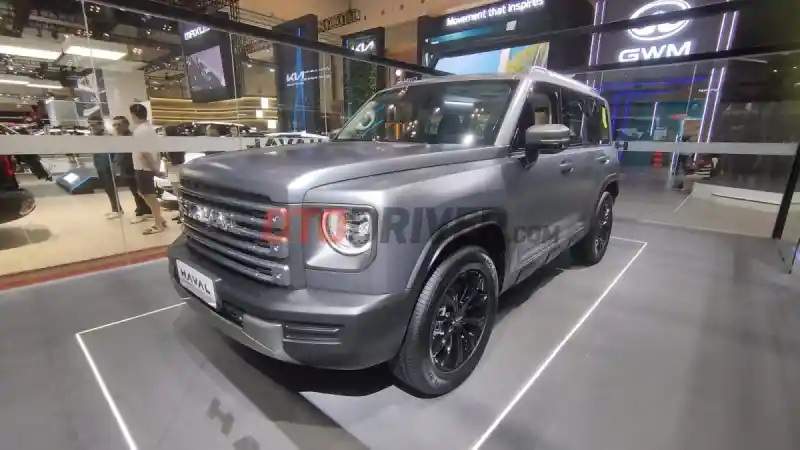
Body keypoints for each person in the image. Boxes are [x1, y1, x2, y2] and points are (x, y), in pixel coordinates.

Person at [129, 103, 166, 235]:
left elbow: (145, 152)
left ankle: (158, 224)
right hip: (144, 167)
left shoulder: (140, 131)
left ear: (134, 115)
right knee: (144, 193)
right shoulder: (149, 129)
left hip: (143, 167)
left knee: (149, 196)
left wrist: (155, 169)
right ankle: (160, 220)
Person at [112, 116, 153, 223]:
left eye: (119, 124)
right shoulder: (118, 139)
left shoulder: (132, 137)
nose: (116, 127)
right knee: (134, 191)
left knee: (138, 191)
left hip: (134, 168)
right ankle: (141, 209)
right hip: (125, 168)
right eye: (114, 125)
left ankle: (144, 211)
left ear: (126, 125)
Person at [87, 113, 122, 219]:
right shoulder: (94, 136)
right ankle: (116, 208)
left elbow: (116, 152)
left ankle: (117, 210)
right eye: (90, 125)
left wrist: (115, 165)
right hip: (100, 165)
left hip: (108, 166)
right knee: (107, 188)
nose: (92, 128)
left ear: (100, 124)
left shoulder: (108, 136)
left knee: (111, 187)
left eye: (94, 125)